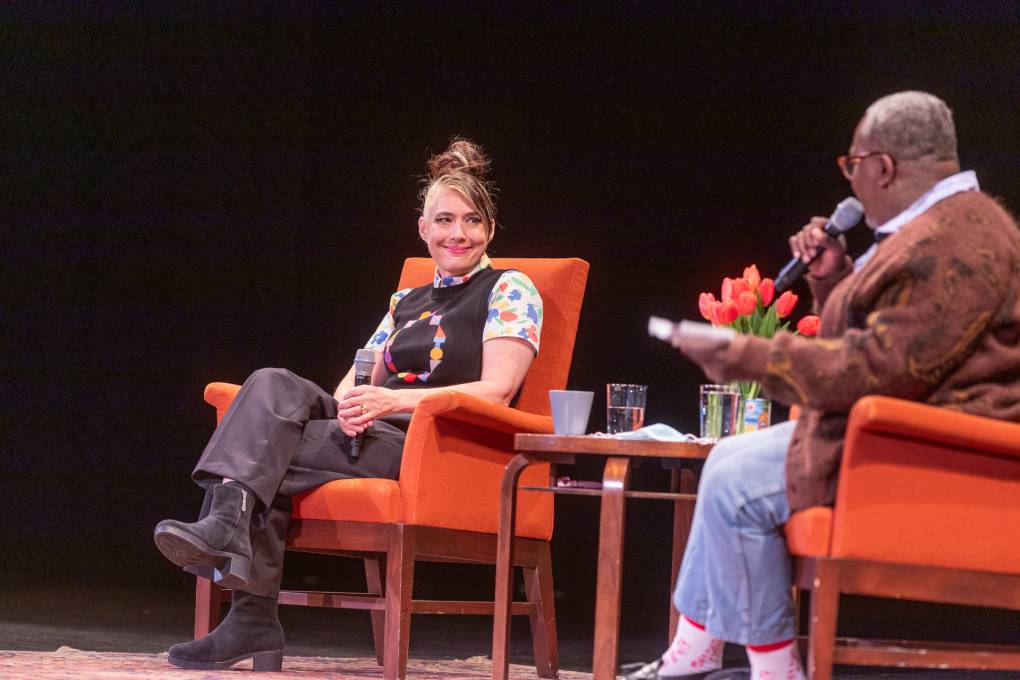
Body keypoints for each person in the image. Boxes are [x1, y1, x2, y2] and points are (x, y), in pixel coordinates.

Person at [641, 91, 1020, 680]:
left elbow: (881, 367)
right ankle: (697, 650)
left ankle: (775, 670)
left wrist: (749, 355)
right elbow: (885, 342)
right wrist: (834, 278)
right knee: (728, 457)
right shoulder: (940, 225)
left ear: (883, 166)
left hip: (933, 449)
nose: (852, 179)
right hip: (897, 432)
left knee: (738, 481)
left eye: (853, 164)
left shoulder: (959, 240)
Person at [153, 138, 544, 671]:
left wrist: (390, 401)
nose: (459, 234)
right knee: (270, 386)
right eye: (445, 220)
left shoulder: (509, 289)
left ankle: (246, 598)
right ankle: (241, 577)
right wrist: (354, 405)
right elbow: (351, 384)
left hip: (430, 446)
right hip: (373, 429)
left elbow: (496, 390)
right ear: (423, 229)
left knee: (262, 450)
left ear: (490, 230)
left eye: (472, 221)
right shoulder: (406, 301)